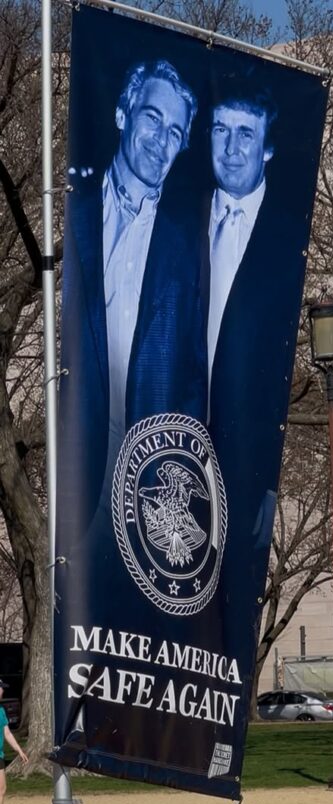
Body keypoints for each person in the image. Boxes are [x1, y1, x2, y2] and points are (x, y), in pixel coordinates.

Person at [59, 58, 207, 541]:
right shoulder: (69, 209)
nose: (161, 140)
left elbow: (191, 376)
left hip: (145, 490)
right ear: (124, 113)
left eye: (174, 132)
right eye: (152, 118)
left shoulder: (187, 248)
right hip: (65, 469)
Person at [205, 77, 310, 663]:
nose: (232, 147)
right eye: (221, 130)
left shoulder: (287, 240)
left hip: (250, 454)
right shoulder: (178, 217)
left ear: (268, 146)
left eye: (247, 134)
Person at [0, 682, 29, 804]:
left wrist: (19, 749)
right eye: (1, 687)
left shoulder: (1, 711)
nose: (3, 690)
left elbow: (7, 733)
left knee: (2, 790)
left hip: (0, 755)